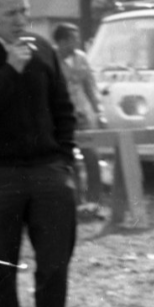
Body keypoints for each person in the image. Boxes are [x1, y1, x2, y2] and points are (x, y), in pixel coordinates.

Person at [0, 0, 79, 307]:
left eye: (24, 11)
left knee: (55, 264)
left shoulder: (43, 49)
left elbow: (63, 108)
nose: (21, 20)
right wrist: (9, 69)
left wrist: (64, 162)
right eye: (10, 13)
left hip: (48, 171)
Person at [53, 22, 108, 217]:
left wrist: (99, 112)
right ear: (62, 41)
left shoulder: (81, 58)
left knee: (92, 158)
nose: (77, 42)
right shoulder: (50, 59)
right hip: (61, 119)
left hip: (83, 116)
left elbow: (91, 87)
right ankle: (76, 203)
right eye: (73, 39)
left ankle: (95, 204)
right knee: (68, 162)